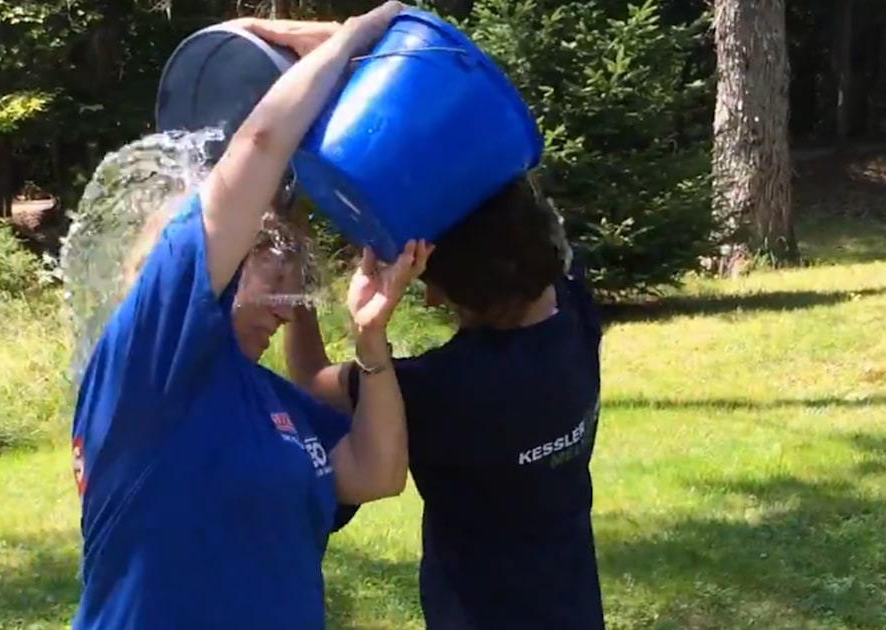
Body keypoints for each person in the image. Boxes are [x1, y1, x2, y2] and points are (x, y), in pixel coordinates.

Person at [69, 4, 435, 629]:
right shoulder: (148, 365)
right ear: (226, 263)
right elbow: (260, 145)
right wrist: (353, 37)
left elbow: (378, 473)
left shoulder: (275, 405)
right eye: (275, 282)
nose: (288, 307)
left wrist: (371, 344)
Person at [286, 177, 605, 629]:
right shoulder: (575, 311)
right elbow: (538, 236)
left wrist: (301, 269)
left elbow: (311, 380)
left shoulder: (448, 388)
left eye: (435, 286)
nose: (432, 296)